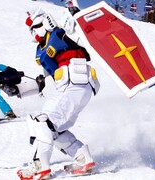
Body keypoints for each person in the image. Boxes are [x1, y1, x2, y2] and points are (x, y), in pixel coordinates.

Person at [14, 8, 100, 180]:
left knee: (41, 121)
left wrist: (75, 15)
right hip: (73, 86)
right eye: (32, 28)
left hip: (75, 81)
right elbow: (44, 80)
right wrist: (17, 89)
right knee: (53, 128)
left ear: (47, 22)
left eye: (37, 26)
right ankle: (83, 158)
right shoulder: (41, 51)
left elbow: (81, 33)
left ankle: (40, 167)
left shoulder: (61, 33)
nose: (35, 31)